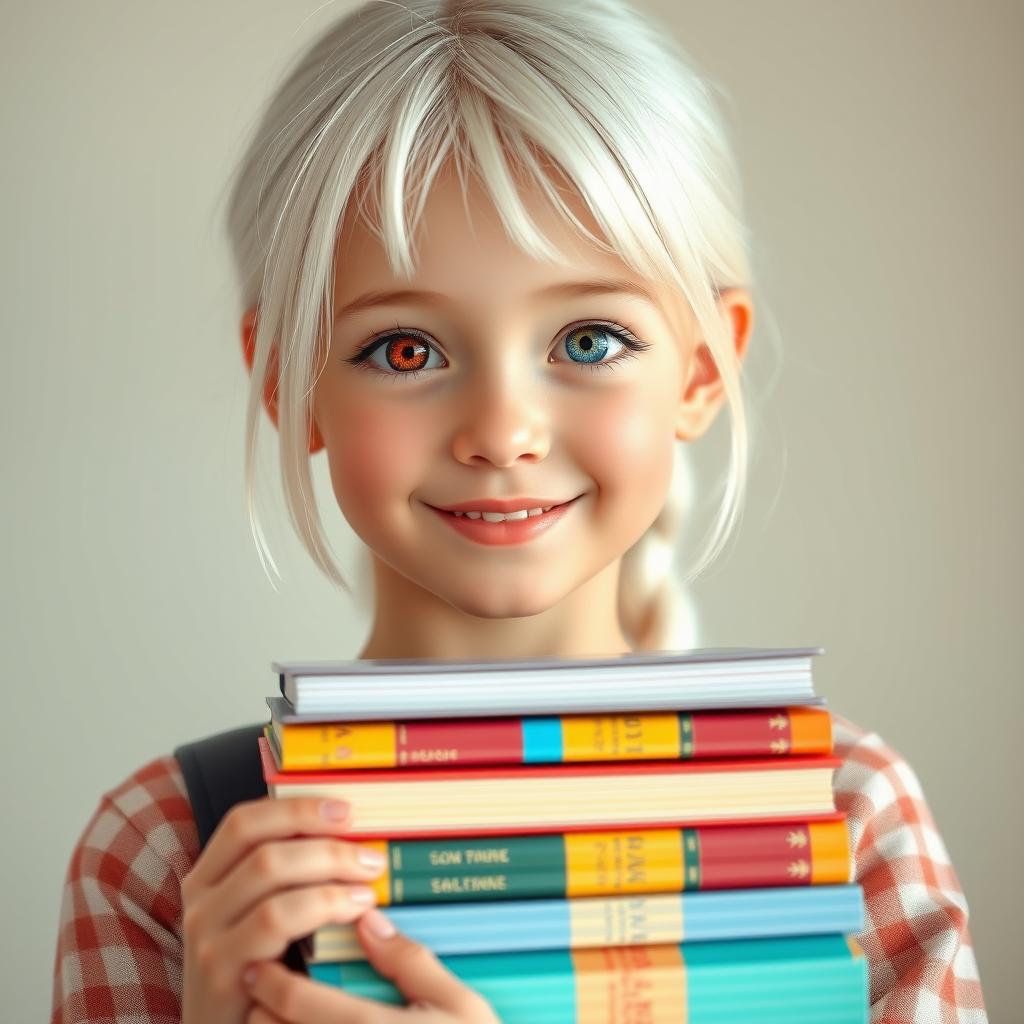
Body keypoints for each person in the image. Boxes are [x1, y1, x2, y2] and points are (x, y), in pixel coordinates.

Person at [50, 1, 988, 1022]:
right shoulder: (165, 850)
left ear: (703, 367)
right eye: (405, 349)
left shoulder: (845, 811)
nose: (501, 431)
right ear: (286, 379)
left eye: (587, 339)